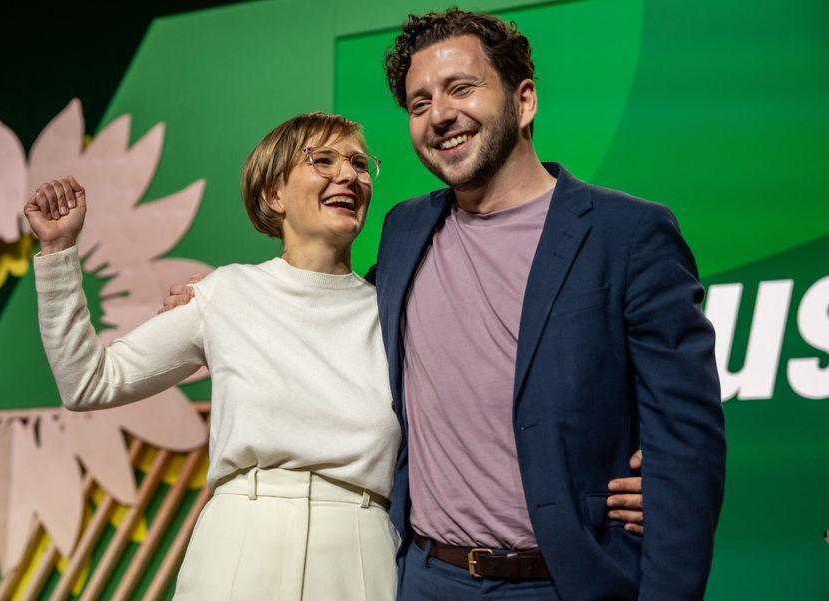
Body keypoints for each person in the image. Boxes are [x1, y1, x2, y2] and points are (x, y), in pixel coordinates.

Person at [162, 8, 723, 601]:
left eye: (461, 88)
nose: (440, 115)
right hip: (427, 579)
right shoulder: (406, 231)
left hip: (567, 583)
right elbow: (329, 302)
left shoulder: (628, 233)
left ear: (524, 100)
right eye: (419, 102)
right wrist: (229, 292)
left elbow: (686, 445)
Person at [28, 114, 645, 601]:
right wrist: (58, 254)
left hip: (363, 552)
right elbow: (89, 381)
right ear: (273, 194)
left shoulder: (400, 306)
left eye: (358, 163)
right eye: (321, 161)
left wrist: (626, 461)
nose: (348, 175)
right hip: (240, 541)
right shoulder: (224, 294)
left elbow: (508, 393)